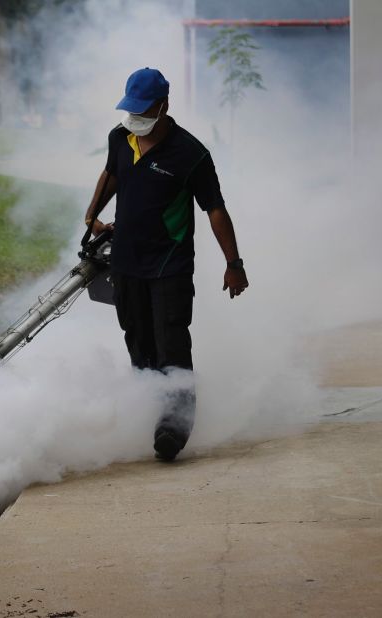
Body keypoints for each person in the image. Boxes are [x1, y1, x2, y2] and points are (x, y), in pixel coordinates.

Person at [84, 67, 249, 462]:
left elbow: (215, 209)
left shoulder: (190, 154)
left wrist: (234, 263)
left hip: (168, 266)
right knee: (138, 343)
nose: (135, 118)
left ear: (163, 106)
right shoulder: (120, 137)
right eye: (131, 109)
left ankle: (174, 426)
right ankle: (149, 411)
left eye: (144, 110)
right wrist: (91, 218)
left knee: (171, 343)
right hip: (125, 263)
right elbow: (110, 175)